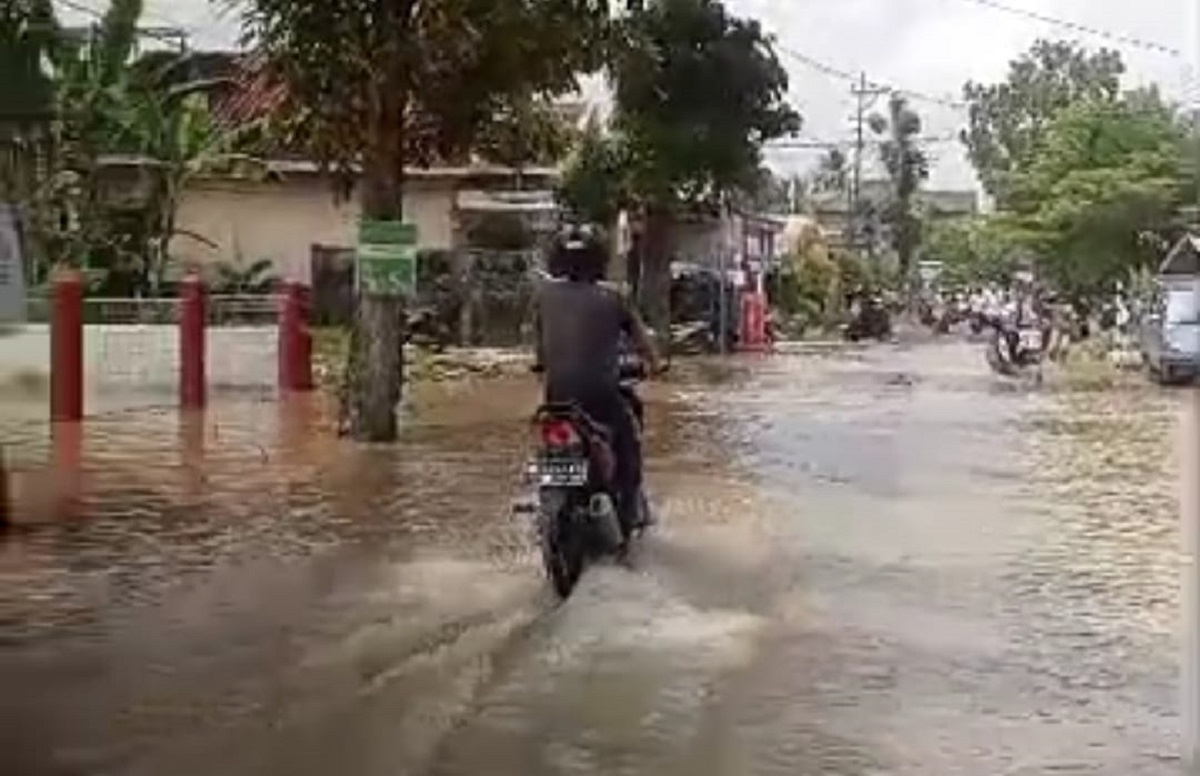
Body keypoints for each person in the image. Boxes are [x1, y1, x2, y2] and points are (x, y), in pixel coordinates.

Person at [533, 224, 663, 539]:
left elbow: (539, 350)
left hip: (557, 397)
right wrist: (656, 364)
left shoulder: (544, 297)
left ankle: (547, 500)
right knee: (628, 439)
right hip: (600, 396)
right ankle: (630, 509)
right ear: (599, 261)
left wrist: (541, 364)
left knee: (546, 446)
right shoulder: (614, 296)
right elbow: (643, 341)